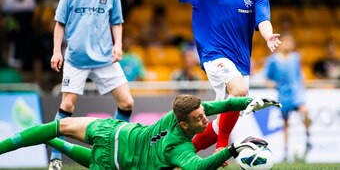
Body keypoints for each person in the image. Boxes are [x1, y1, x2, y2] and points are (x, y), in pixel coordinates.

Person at [124, 0, 281, 159]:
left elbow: (263, 19)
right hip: (213, 55)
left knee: (221, 120)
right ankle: (222, 148)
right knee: (239, 92)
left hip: (240, 61)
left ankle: (177, 156)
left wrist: (268, 36)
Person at [0, 94, 281, 169]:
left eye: (203, 114)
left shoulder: (185, 112)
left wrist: (249, 103)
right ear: (183, 123)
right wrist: (232, 149)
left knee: (59, 129)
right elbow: (199, 168)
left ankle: (46, 141)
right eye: (200, 118)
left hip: (114, 137)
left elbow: (226, 103)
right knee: (65, 131)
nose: (206, 119)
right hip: (116, 149)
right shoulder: (178, 149)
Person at [49, 0, 134, 169]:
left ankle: (111, 148)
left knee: (126, 102)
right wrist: (57, 51)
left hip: (105, 57)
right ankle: (55, 158)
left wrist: (118, 45)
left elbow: (117, 21)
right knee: (67, 104)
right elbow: (60, 23)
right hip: (76, 58)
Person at [263, 33, 311, 161]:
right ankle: (285, 152)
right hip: (283, 95)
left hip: (296, 93)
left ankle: (308, 137)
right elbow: (267, 78)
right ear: (280, 43)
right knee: (285, 124)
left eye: (291, 41)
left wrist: (302, 82)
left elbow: (299, 74)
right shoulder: (273, 60)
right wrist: (271, 84)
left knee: (305, 111)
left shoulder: (296, 57)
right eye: (286, 41)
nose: (289, 44)